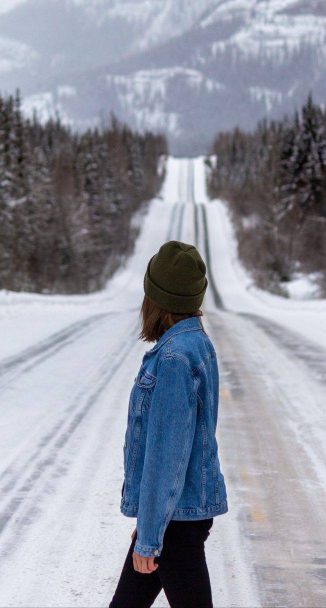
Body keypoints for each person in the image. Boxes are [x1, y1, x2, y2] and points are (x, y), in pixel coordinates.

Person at [109, 240, 228, 608]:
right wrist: (150, 523)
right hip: (174, 519)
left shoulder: (174, 359)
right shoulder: (195, 343)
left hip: (175, 521)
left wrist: (151, 534)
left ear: (155, 298)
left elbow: (167, 455)